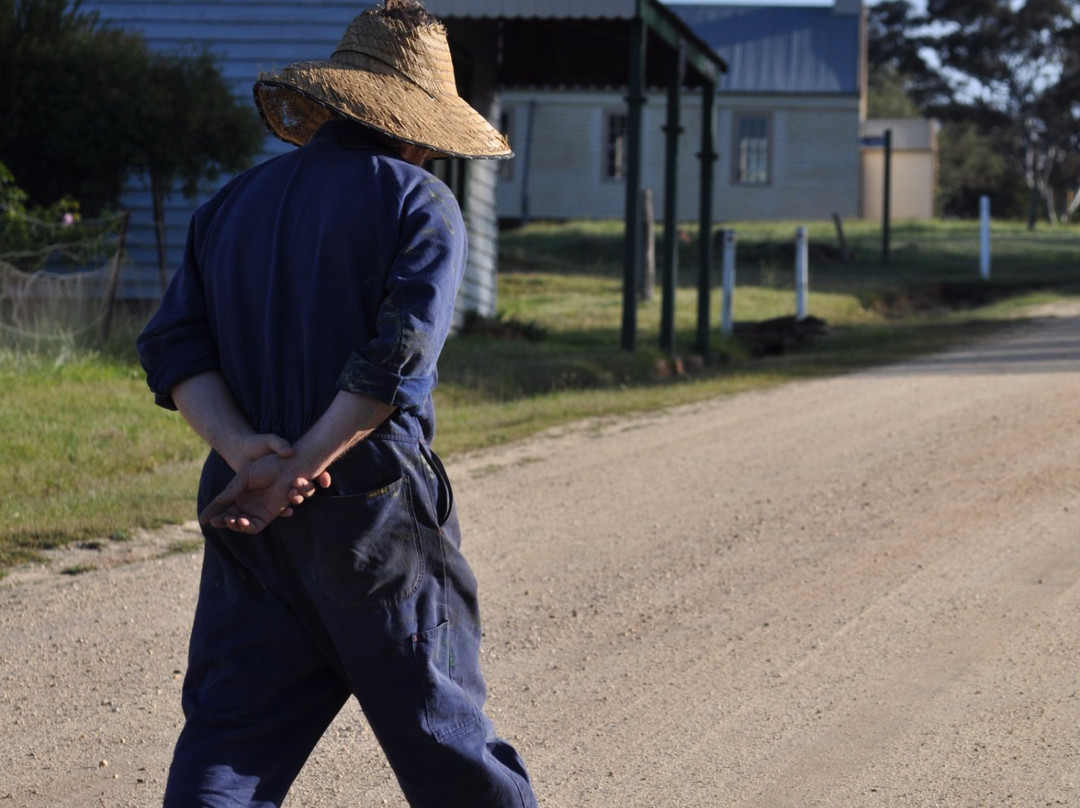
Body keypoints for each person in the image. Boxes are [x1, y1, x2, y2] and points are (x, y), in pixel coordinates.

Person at [135, 2, 538, 806]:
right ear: (417, 127)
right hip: (371, 516)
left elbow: (175, 349)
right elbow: (395, 364)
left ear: (333, 101)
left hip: (247, 507)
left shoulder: (230, 205)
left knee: (229, 741)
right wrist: (304, 466)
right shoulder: (419, 202)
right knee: (446, 741)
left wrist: (252, 455)